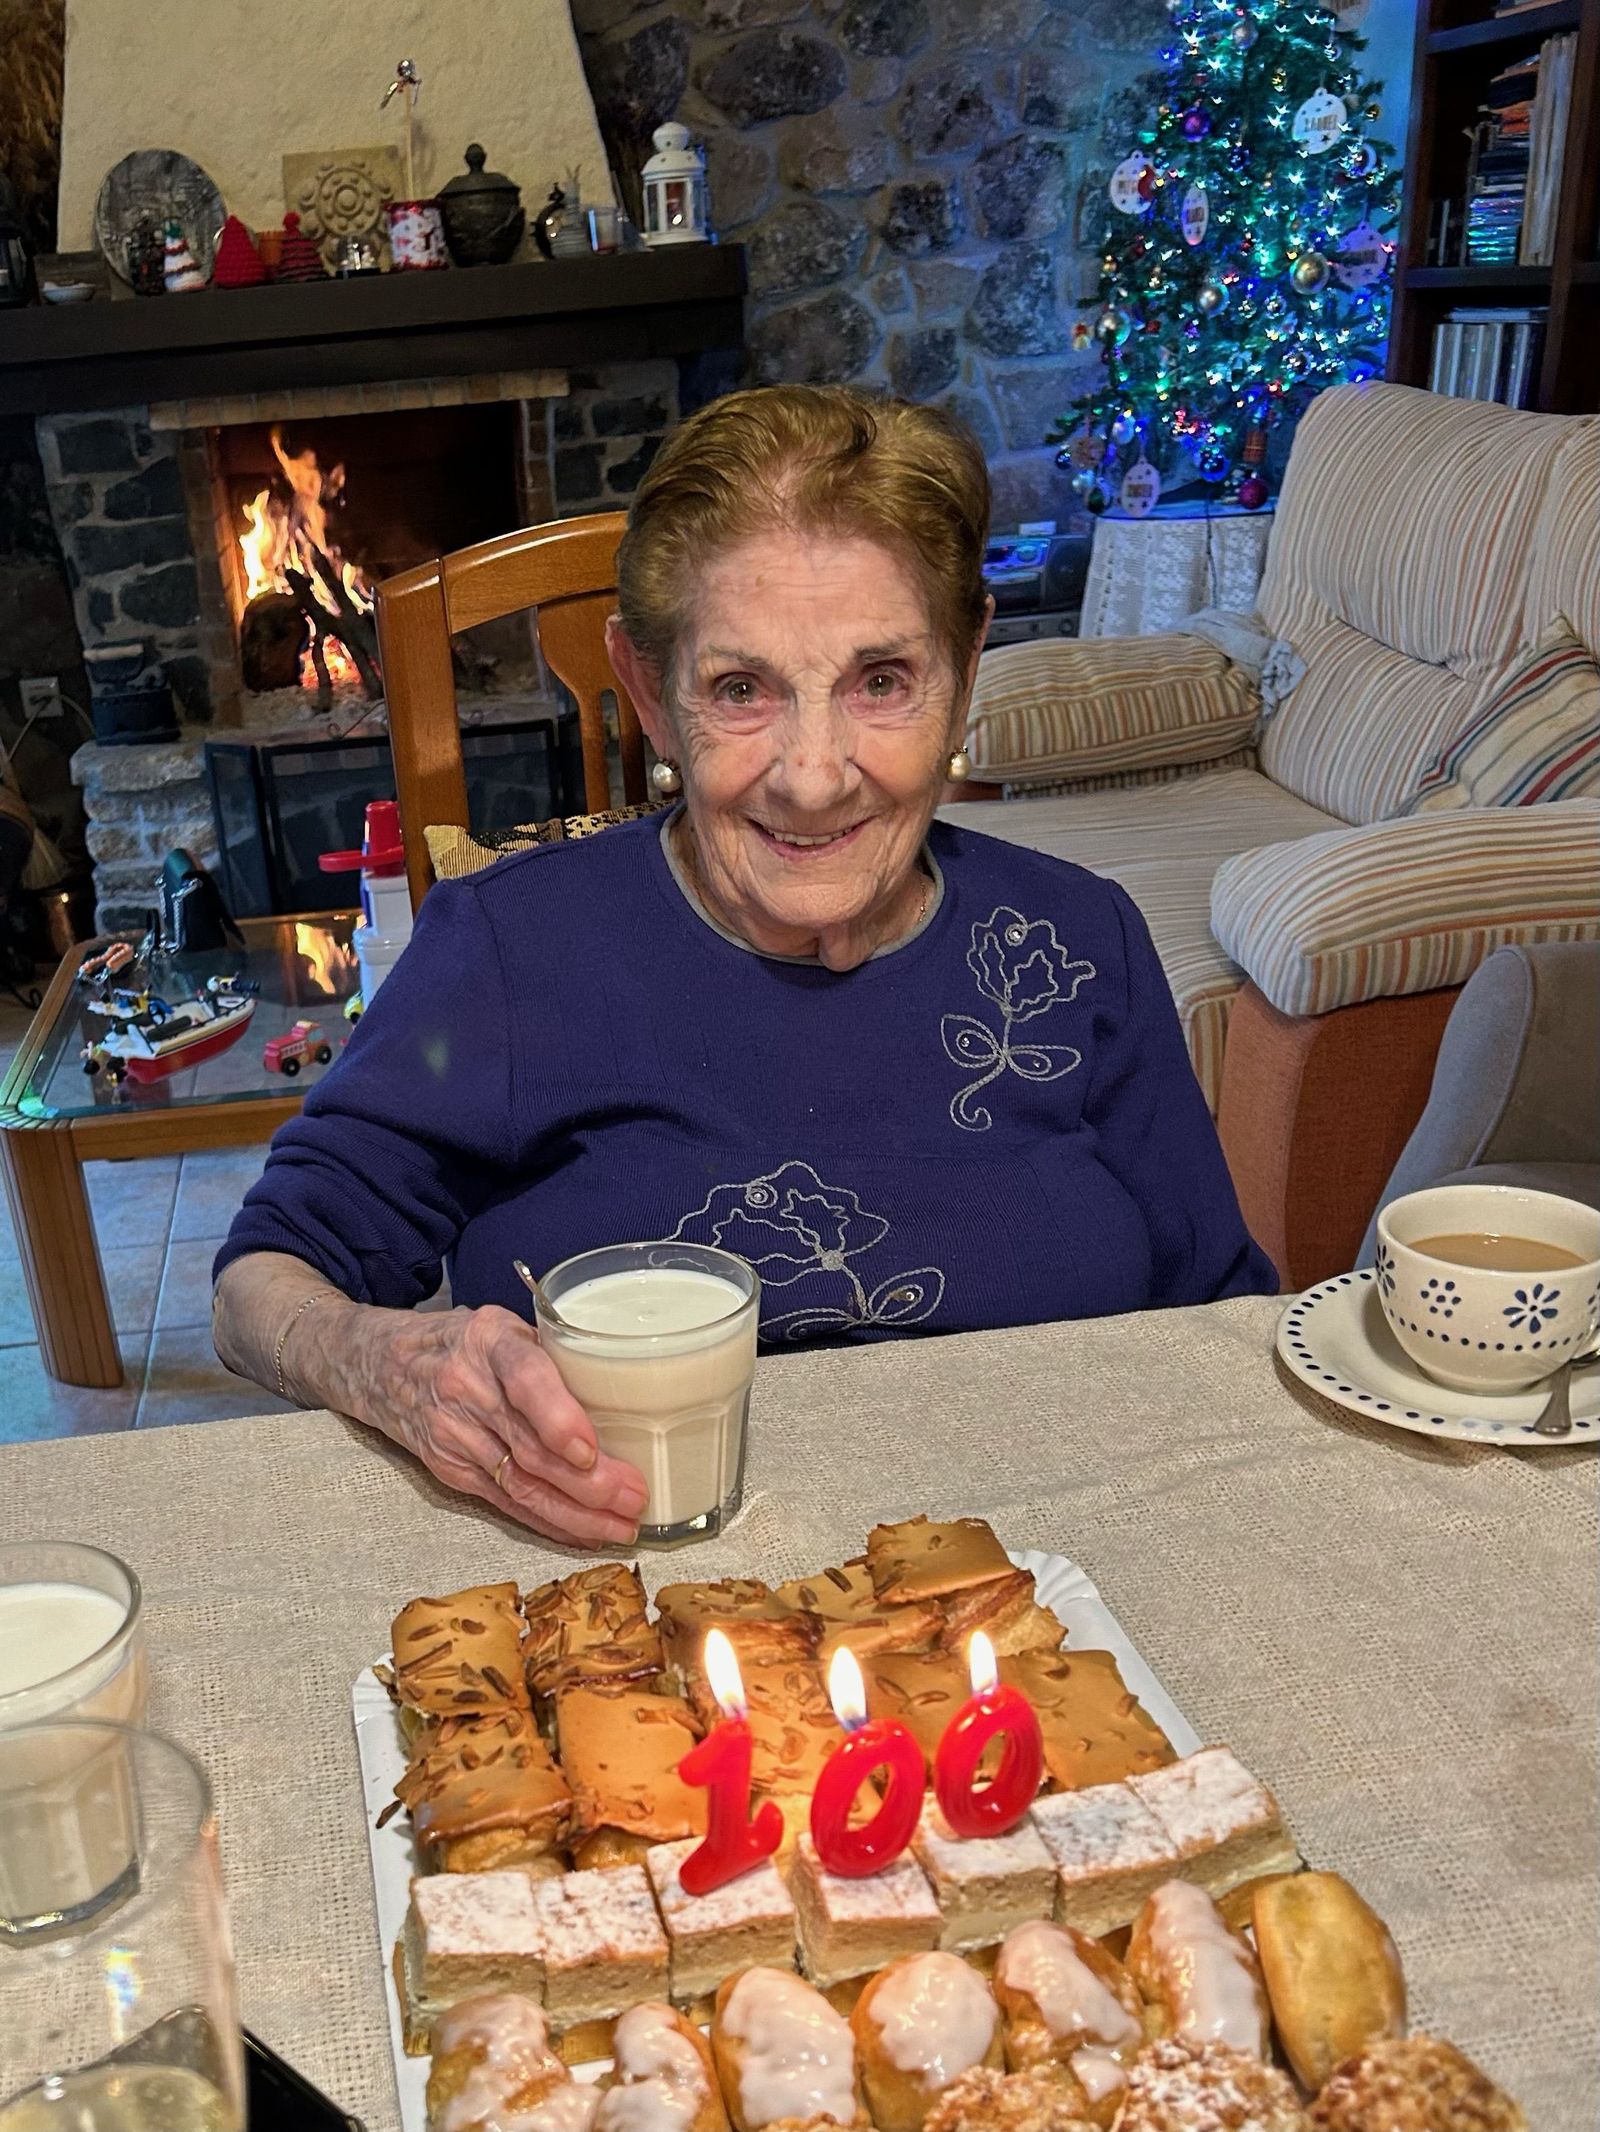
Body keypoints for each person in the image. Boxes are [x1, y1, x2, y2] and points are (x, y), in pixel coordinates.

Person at [214, 385, 1274, 1545]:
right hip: (647, 1615)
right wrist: (387, 1362)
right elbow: (258, 1281)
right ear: (650, 694)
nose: (813, 777)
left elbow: (1218, 1311)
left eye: (882, 680)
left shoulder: (1080, 943)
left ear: (966, 665)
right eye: (741, 689)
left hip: (1050, 1606)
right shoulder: (511, 951)